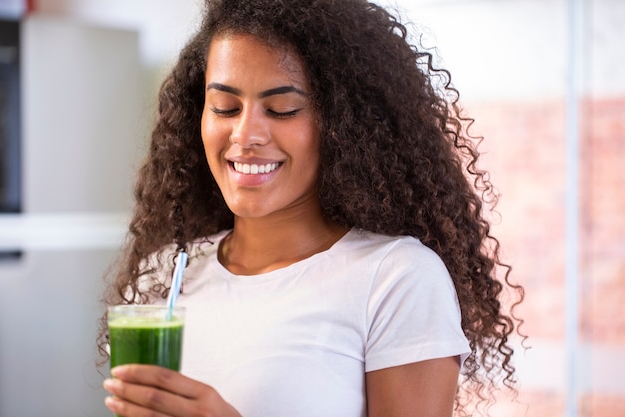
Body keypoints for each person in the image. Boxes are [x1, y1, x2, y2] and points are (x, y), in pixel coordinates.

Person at [97, 0, 525, 416]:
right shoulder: (164, 275)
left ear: (341, 124)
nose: (245, 135)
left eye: (282, 109)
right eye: (225, 107)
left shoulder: (397, 279)